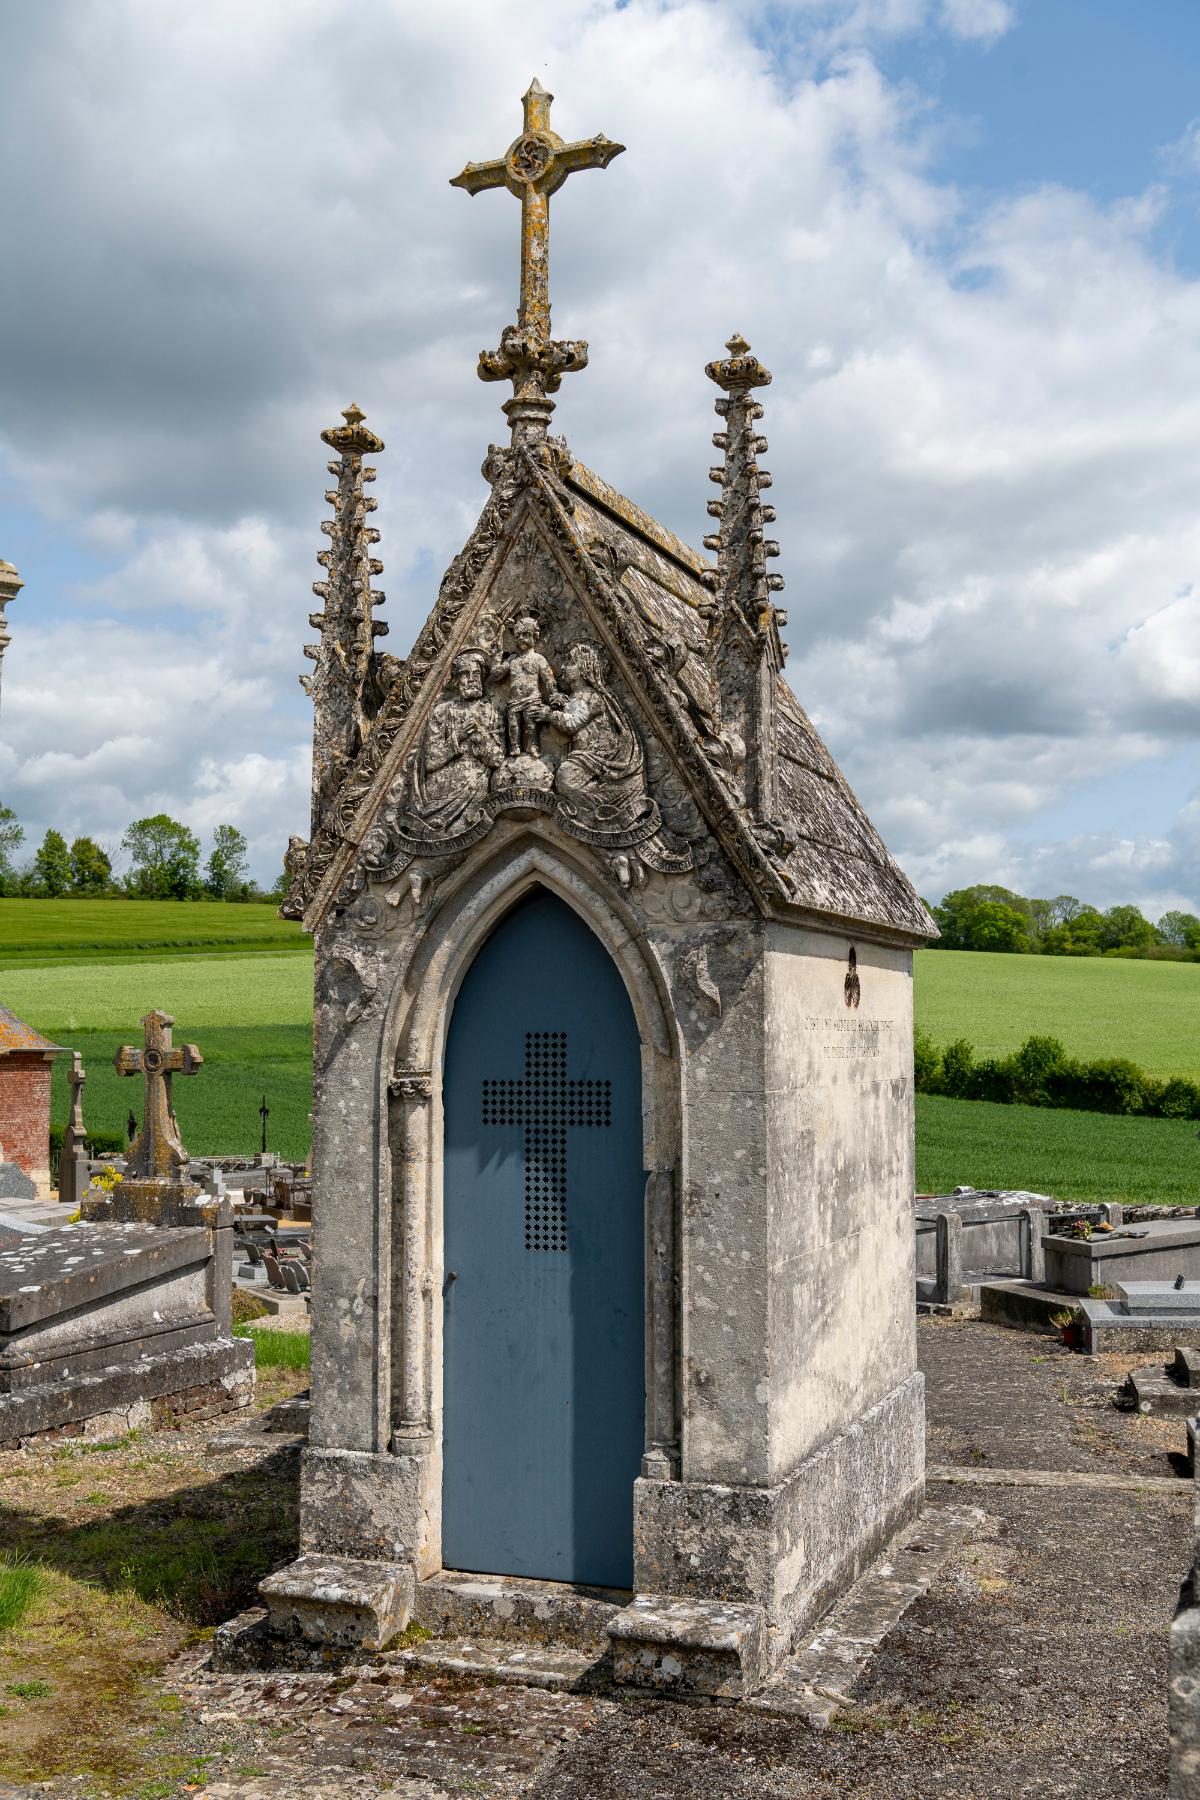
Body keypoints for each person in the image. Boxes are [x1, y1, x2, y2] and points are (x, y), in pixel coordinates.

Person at [542, 642, 649, 830]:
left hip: (600, 757)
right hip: (586, 755)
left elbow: (571, 724)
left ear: (585, 667)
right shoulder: (578, 697)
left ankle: (598, 815)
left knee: (565, 778)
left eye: (570, 662)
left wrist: (549, 714)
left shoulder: (591, 696)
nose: (563, 667)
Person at [406, 652, 503, 833]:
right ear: (457, 680)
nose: (472, 679)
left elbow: (497, 759)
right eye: (465, 674)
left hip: (475, 788)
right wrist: (457, 737)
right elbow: (430, 761)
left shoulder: (492, 712)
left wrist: (481, 737)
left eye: (476, 674)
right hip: (440, 791)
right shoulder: (441, 712)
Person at [492, 615, 560, 758]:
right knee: (513, 726)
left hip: (532, 698)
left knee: (531, 725)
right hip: (514, 700)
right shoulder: (512, 659)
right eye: (518, 635)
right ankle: (515, 746)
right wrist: (496, 654)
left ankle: (532, 746)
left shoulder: (538, 659)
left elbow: (548, 679)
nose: (521, 638)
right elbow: (497, 675)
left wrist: (554, 693)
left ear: (535, 636)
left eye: (526, 634)